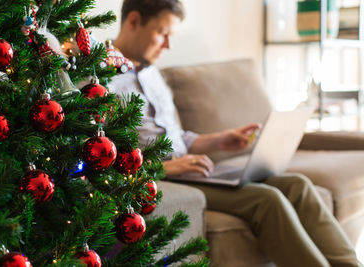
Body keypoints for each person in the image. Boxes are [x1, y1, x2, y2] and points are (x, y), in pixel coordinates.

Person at [107, 0, 362, 266]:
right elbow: (105, 159)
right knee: (267, 200)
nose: (168, 45)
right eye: (163, 33)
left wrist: (220, 139)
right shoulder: (102, 81)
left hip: (192, 169)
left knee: (297, 185)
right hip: (162, 176)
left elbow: (178, 138)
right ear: (134, 21)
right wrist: (166, 167)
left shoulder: (151, 73)